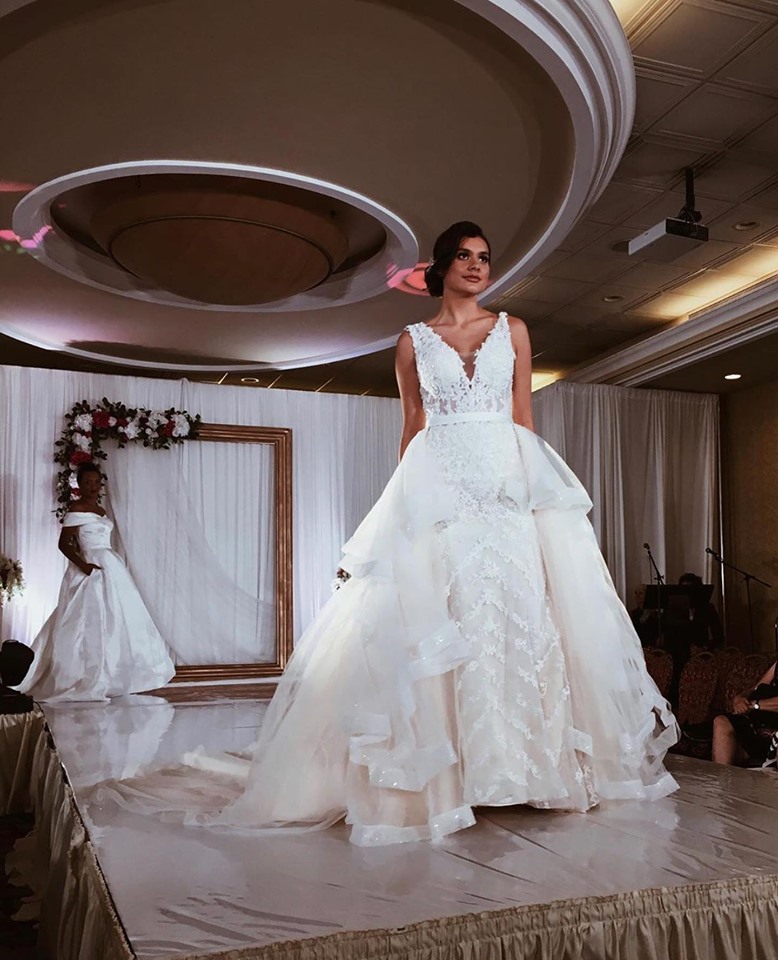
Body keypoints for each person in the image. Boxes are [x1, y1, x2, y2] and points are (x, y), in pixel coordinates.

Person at [98, 222, 679, 845]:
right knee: (447, 623)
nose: (477, 266)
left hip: (506, 495)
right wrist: (403, 512)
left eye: (485, 258)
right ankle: (454, 778)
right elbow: (412, 427)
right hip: (442, 490)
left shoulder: (513, 329)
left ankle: (529, 771)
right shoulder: (412, 342)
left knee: (518, 620)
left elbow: (522, 418)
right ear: (441, 266)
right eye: (465, 256)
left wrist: (535, 502)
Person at [20, 463, 175, 701]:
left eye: (95, 482)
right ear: (80, 485)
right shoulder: (77, 508)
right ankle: (83, 674)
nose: (92, 486)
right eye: (87, 482)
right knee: (88, 617)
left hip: (110, 563)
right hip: (90, 564)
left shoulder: (100, 510)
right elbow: (64, 544)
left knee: (118, 615)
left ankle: (116, 672)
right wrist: (83, 565)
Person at [712, 661, 778, 766]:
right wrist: (740, 698)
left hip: (774, 728)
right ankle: (722, 773)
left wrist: (753, 705)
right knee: (722, 722)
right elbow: (756, 688)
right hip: (756, 723)